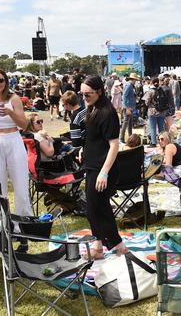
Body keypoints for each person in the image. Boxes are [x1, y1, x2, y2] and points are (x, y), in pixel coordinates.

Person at [0, 68, 33, 251]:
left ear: (6, 82)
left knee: (20, 185)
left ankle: (22, 228)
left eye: (0, 80)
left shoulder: (14, 98)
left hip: (13, 140)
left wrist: (10, 113)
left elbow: (24, 125)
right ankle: (0, 228)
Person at [79, 75, 129, 259]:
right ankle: (98, 247)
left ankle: (119, 246)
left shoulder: (107, 113)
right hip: (92, 165)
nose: (85, 97)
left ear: (99, 91)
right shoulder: (93, 108)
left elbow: (114, 145)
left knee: (99, 208)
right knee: (92, 207)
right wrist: (84, 150)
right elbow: (94, 138)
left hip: (103, 168)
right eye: (82, 94)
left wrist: (104, 172)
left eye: (88, 94)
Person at [120, 73, 139, 144]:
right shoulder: (129, 85)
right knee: (125, 123)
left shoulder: (131, 85)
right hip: (128, 107)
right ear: (133, 79)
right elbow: (124, 96)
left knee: (130, 123)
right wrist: (126, 107)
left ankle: (130, 137)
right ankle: (121, 139)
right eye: (135, 79)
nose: (136, 81)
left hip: (131, 107)